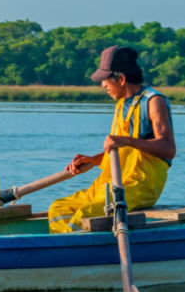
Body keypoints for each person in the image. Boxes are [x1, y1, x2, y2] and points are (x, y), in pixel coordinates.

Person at [48, 46, 176, 233]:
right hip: (110, 182)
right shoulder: (121, 104)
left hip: (138, 185)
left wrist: (126, 140)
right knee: (59, 207)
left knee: (87, 212)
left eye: (105, 81)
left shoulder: (153, 101)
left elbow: (168, 148)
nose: (103, 85)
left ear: (121, 79)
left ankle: (77, 249)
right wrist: (93, 160)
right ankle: (65, 247)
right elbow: (122, 152)